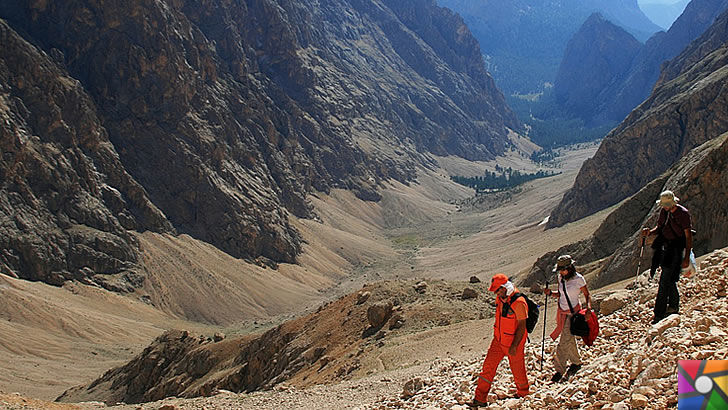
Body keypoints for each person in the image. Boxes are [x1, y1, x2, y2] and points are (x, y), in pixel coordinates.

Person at [466, 274, 529, 408]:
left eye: (497, 290)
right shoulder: (500, 298)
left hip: (513, 343)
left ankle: (524, 396)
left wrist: (514, 345)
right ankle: (479, 399)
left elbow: (522, 326)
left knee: (518, 371)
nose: (496, 293)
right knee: (487, 367)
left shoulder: (519, 302)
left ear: (504, 287)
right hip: (499, 341)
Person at [641, 190, 693, 324]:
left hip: (677, 248)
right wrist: (649, 232)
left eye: (666, 205)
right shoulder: (665, 212)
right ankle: (674, 305)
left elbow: (688, 236)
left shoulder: (683, 214)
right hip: (666, 247)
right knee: (668, 279)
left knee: (664, 281)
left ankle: (659, 313)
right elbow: (660, 228)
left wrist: (686, 257)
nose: (663, 207)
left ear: (672, 203)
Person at [543, 255, 591, 383]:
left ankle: (559, 370)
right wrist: (551, 294)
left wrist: (588, 309)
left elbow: (587, 295)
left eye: (563, 270)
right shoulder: (561, 278)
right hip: (562, 312)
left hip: (573, 313)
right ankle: (576, 362)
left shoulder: (578, 279)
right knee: (569, 338)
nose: (561, 272)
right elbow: (561, 294)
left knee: (563, 342)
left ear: (570, 268)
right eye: (560, 270)